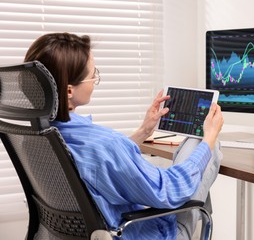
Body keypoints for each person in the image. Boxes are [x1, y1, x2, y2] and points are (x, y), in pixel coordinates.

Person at [24, 32, 224, 240]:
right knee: (201, 143)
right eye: (93, 75)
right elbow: (169, 190)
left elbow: (98, 167)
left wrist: (144, 131)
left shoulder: (43, 135)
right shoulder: (104, 144)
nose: (95, 80)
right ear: (68, 91)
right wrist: (209, 138)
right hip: (146, 235)